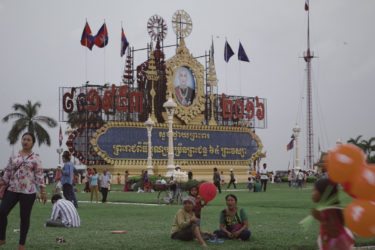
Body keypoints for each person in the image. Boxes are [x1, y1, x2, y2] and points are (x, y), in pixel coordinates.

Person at [0, 132, 46, 250]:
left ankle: (21, 244)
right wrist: (3, 182)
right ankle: (2, 238)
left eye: (28, 140)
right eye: (24, 139)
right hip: (12, 189)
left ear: (33, 143)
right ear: (21, 141)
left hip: (28, 192)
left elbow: (39, 174)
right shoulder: (15, 155)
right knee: (2, 211)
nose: (25, 141)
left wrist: (43, 190)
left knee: (24, 217)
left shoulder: (36, 157)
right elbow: (9, 170)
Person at [311, 179, 354, 250]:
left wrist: (320, 219)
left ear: (324, 193)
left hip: (335, 245)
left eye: (315, 190)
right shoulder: (327, 208)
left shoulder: (330, 210)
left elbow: (335, 233)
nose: (312, 194)